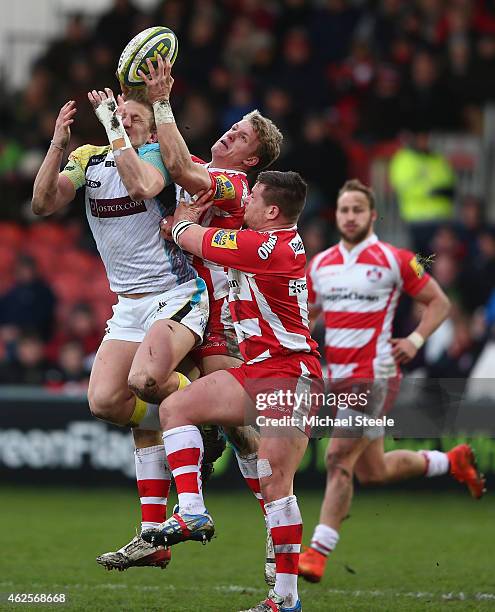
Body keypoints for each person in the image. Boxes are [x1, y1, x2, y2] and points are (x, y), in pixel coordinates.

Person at [97, 55, 284, 576]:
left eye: (240, 135)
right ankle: (153, 533)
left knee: (243, 430)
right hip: (177, 302)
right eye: (231, 127)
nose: (228, 135)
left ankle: (276, 528)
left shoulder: (234, 185)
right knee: (149, 400)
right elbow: (165, 168)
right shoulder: (200, 163)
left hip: (219, 318)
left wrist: (160, 99)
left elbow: (179, 170)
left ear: (253, 158)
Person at [32, 88, 210, 571]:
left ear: (150, 128)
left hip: (176, 294)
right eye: (119, 114)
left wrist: (115, 129)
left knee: (147, 383)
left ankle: (204, 410)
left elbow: (144, 188)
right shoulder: (89, 160)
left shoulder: (156, 154)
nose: (124, 120)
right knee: (107, 402)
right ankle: (154, 537)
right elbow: (44, 203)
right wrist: (56, 144)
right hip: (129, 306)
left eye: (132, 116)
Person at [139, 170, 322, 612]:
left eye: (255, 198)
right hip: (257, 370)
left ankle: (286, 599)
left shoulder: (267, 247)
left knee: (276, 480)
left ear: (273, 211)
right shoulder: (267, 241)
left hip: (290, 375)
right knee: (177, 407)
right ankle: (192, 510)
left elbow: (189, 237)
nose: (248, 204)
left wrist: (181, 221)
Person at [297, 179, 486, 584]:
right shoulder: (320, 265)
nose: (350, 217)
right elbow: (307, 318)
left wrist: (416, 339)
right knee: (373, 470)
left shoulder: (399, 259)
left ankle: (317, 551)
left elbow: (440, 302)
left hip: (378, 375)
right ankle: (449, 462)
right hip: (338, 378)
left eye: (357, 210)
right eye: (344, 211)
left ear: (373, 215)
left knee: (336, 457)